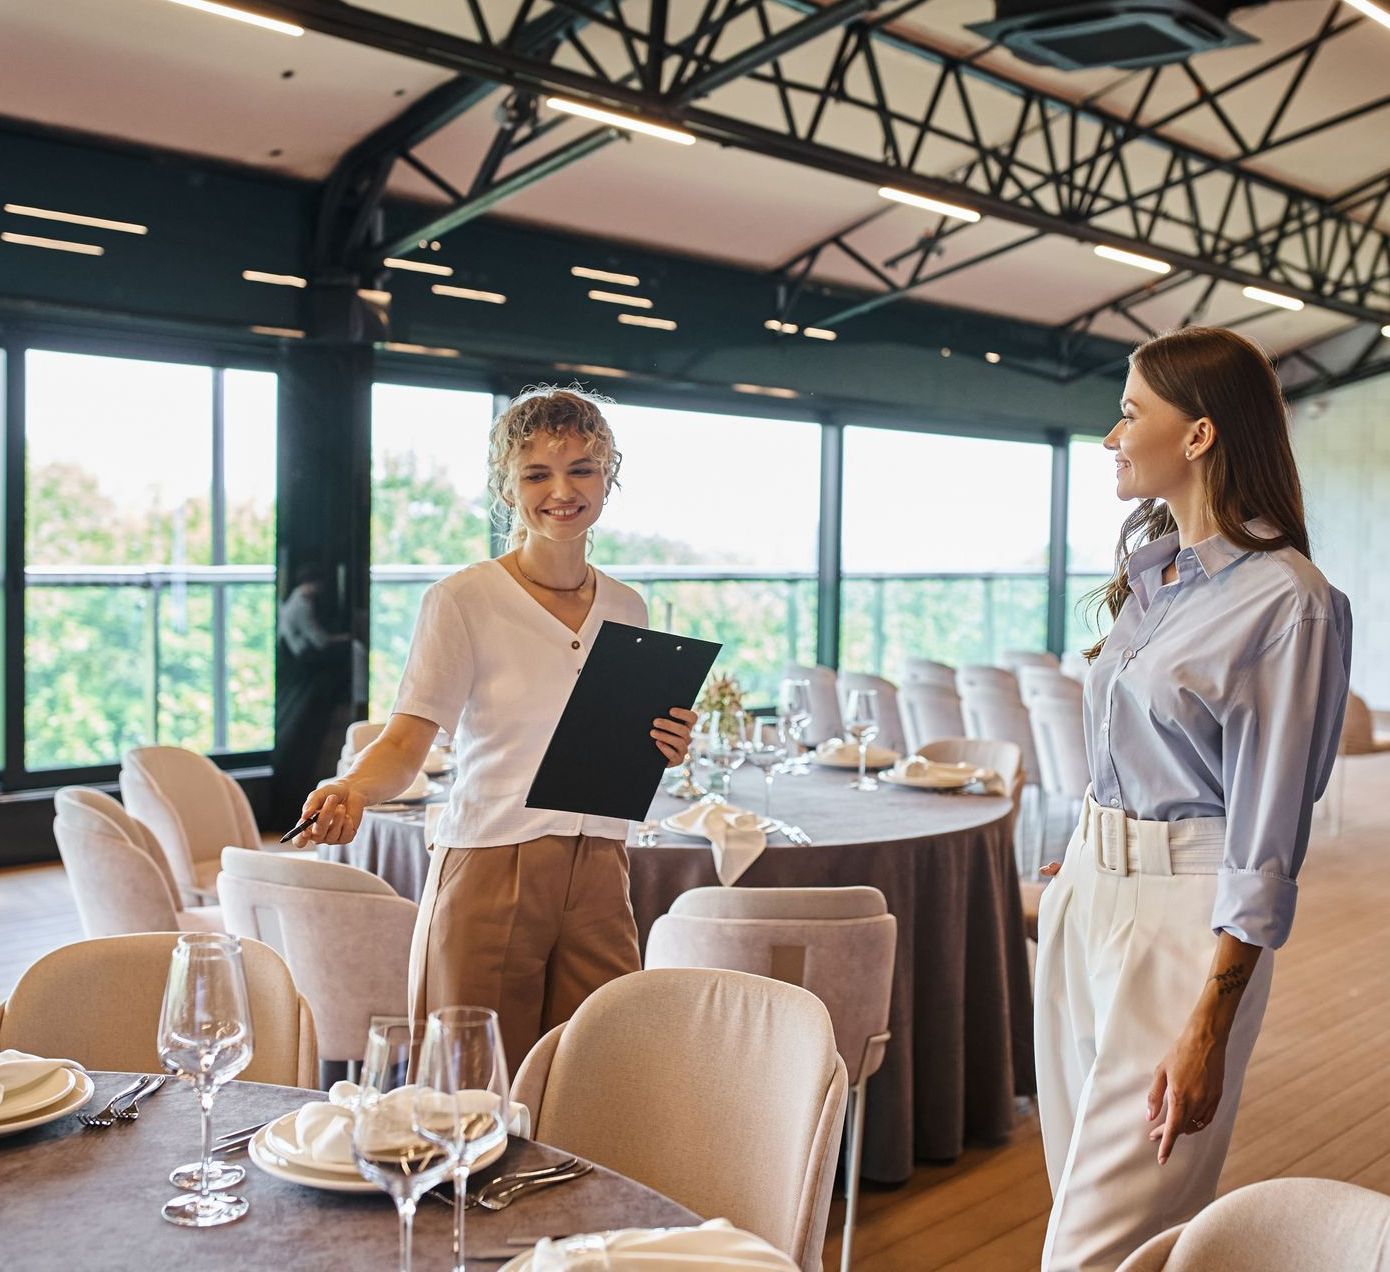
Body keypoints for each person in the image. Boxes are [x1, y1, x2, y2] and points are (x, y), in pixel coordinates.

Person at [1034, 327, 1352, 1271]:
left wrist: (1210, 1018)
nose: (1110, 436)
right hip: (1087, 898)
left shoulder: (1291, 601)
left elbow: (1267, 836)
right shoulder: (1155, 576)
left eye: (1129, 412)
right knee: (1080, 1211)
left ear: (1201, 433)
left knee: (1092, 1249)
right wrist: (1094, 857)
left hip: (1184, 928)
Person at [295, 386, 696, 1067]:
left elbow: (617, 745)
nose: (561, 491)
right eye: (536, 474)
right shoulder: (463, 600)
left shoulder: (628, 607)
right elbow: (404, 742)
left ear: (609, 478)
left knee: (593, 1075)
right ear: (507, 490)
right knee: (473, 1088)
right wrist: (355, 789)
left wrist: (667, 746)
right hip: (491, 862)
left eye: (581, 470)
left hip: (602, 866)